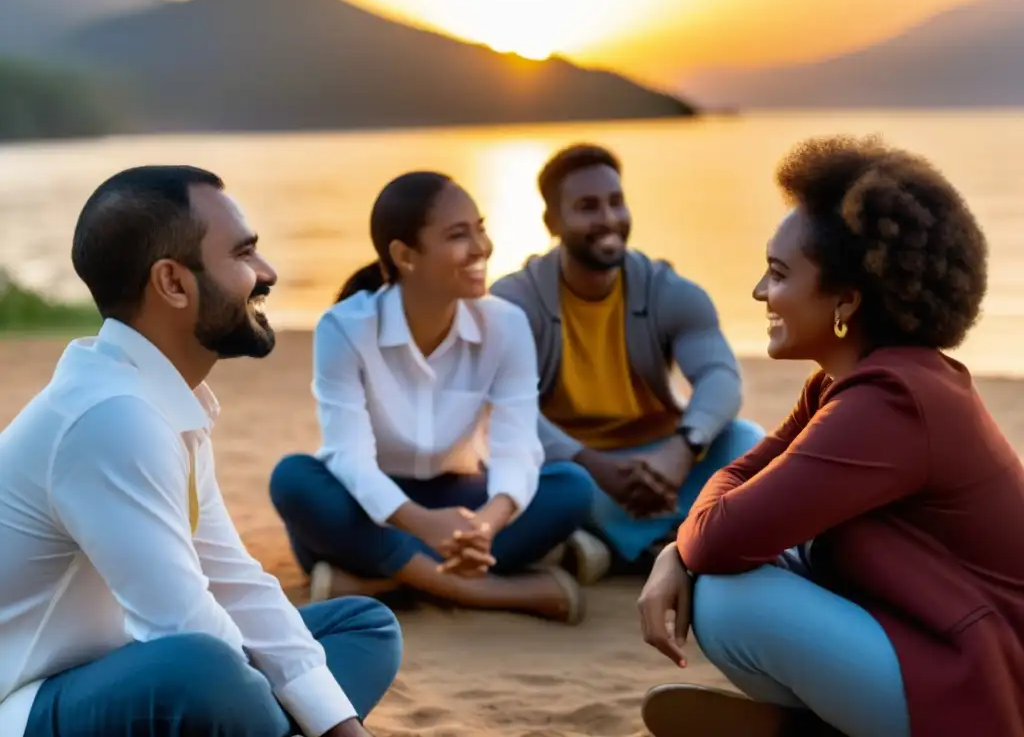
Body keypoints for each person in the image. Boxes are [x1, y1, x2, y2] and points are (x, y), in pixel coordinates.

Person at [637, 135, 1024, 737]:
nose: (760, 293)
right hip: (928, 632)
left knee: (726, 600)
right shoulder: (849, 384)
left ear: (846, 300)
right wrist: (676, 551)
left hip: (986, 681)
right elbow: (739, 477)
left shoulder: (891, 402)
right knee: (746, 561)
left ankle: (814, 729)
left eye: (779, 273)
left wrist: (681, 554)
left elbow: (718, 541)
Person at [0, 166, 402, 737]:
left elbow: (232, 579)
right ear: (173, 283)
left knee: (362, 625)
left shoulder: (164, 401)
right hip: (23, 703)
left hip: (117, 671)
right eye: (244, 255)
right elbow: (180, 626)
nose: (267, 273)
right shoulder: (110, 417)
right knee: (201, 667)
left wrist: (341, 728)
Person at [269, 171, 594, 624]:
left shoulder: (506, 325)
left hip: (458, 501)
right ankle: (494, 592)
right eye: (459, 235)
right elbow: (351, 459)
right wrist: (423, 523)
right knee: (295, 481)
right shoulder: (344, 328)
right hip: (372, 507)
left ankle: (372, 582)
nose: (481, 247)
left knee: (572, 487)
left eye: (480, 228)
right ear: (405, 255)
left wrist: (484, 525)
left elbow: (517, 447)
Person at [490, 143, 765, 572]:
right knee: (558, 486)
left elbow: (719, 378)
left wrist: (682, 449)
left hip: (662, 462)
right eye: (587, 207)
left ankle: (620, 544)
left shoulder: (669, 291)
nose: (608, 219)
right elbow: (504, 407)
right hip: (573, 466)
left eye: (616, 202)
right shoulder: (513, 301)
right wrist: (594, 465)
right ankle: (676, 539)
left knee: (747, 442)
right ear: (552, 222)